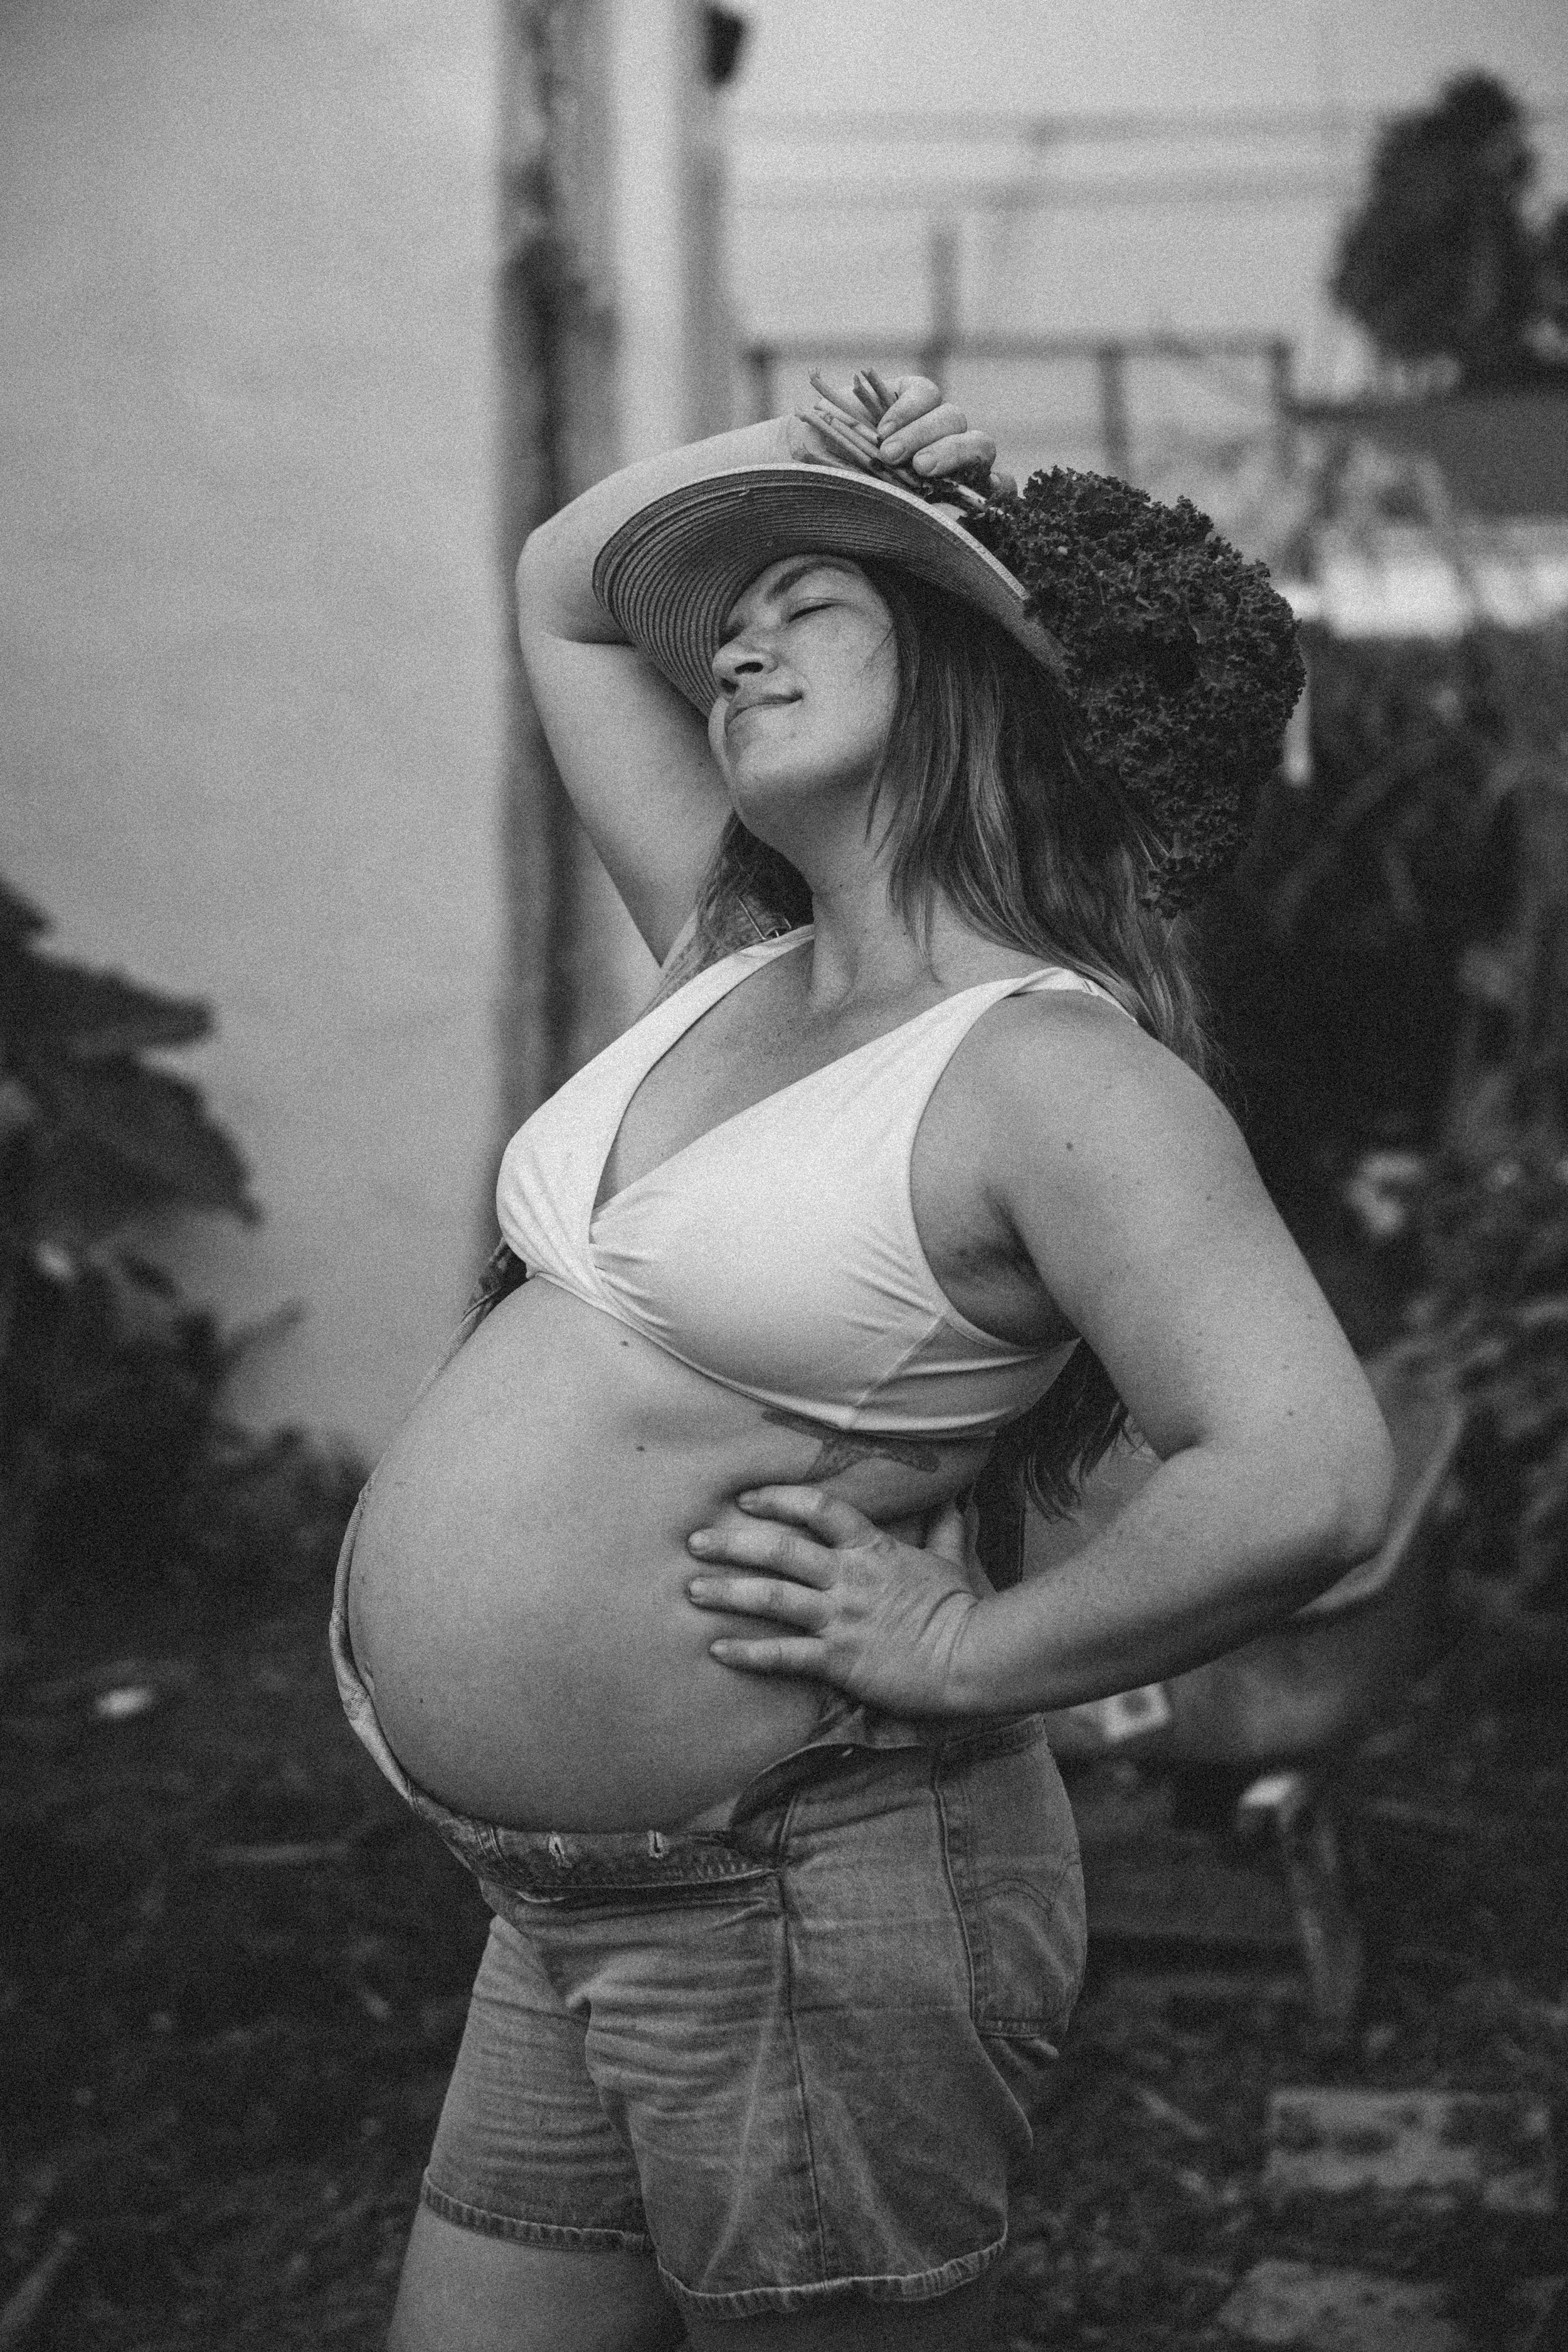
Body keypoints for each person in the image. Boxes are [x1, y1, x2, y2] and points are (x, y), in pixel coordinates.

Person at [329, 376, 1395, 2352]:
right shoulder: (729, 961)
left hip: (790, 1911)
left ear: (992, 673)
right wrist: (799, 474)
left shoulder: (1053, 1074)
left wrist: (970, 1650)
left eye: (812, 598)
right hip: (573, 1892)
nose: (735, 633)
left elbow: (1308, 1469)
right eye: (739, 609)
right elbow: (564, 586)